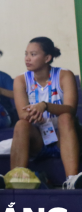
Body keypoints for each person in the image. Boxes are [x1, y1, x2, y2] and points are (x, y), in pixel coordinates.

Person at [7, 37, 82, 189]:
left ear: (47, 58)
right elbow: (23, 114)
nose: (27, 58)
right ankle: (15, 178)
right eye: (26, 54)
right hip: (39, 140)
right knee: (21, 124)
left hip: (64, 137)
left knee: (66, 118)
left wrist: (45, 106)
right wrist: (34, 114)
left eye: (33, 54)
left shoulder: (64, 75)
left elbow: (71, 109)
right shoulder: (21, 80)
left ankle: (72, 180)